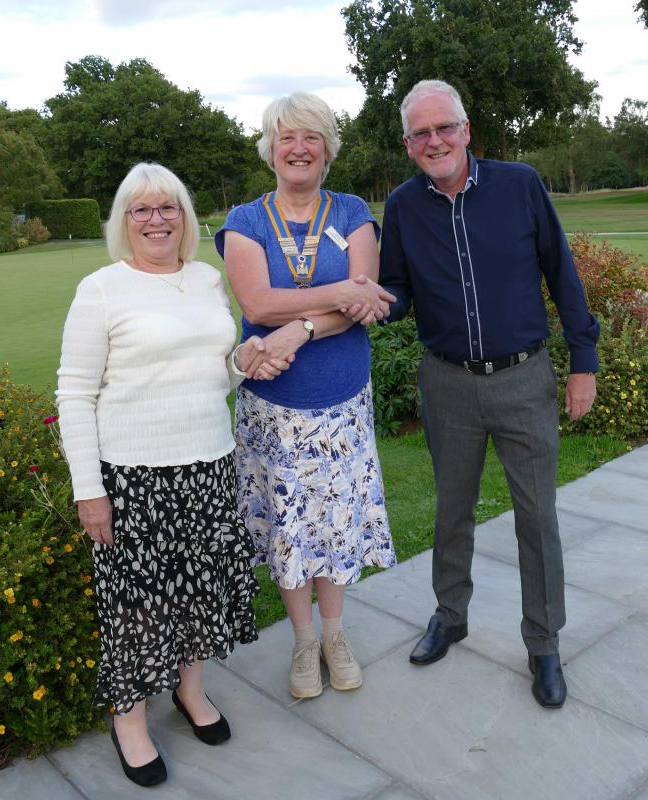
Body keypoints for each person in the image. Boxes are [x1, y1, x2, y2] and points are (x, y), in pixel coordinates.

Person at [56, 162, 291, 787]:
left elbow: (215, 369)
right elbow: (75, 393)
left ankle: (190, 692)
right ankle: (129, 718)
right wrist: (89, 490)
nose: (157, 220)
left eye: (169, 209)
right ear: (124, 221)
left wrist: (244, 360)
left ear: (184, 217)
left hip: (210, 464)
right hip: (132, 475)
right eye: (142, 210)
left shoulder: (207, 281)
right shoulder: (101, 288)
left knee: (199, 589)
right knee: (136, 604)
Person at [378, 80, 599, 709]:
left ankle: (544, 642)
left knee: (536, 515)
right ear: (408, 144)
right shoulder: (403, 206)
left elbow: (562, 271)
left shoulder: (519, 184)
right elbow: (396, 292)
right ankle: (450, 615)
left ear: (466, 130)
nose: (435, 140)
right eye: (421, 133)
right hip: (446, 382)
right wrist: (361, 297)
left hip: (524, 379)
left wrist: (583, 361)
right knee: (452, 509)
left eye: (444, 127)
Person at [215, 92, 397, 700]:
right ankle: (302, 641)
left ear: (327, 149)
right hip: (273, 408)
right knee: (292, 526)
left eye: (311, 137)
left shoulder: (351, 211)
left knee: (335, 522)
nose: (298, 148)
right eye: (286, 137)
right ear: (270, 148)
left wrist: (303, 327)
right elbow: (257, 303)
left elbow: (364, 303)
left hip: (341, 401)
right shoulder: (245, 220)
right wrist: (341, 290)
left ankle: (335, 635)